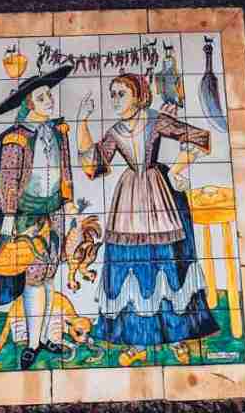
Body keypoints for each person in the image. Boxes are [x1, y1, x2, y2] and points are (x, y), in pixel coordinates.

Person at [76, 73, 219, 363]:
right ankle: (137, 342)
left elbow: (200, 137)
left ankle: (177, 337)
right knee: (129, 265)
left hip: (158, 195)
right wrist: (82, 121)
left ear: (139, 96)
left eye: (121, 93)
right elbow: (93, 166)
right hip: (128, 200)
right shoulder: (115, 130)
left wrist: (178, 169)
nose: (115, 99)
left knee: (167, 264)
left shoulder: (155, 120)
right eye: (112, 94)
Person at [0, 62, 79, 369]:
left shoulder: (58, 131)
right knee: (34, 280)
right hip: (27, 216)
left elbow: (65, 170)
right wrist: (10, 218)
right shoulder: (16, 138)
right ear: (29, 104)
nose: (49, 101)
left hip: (54, 214)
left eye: (48, 95)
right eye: (42, 98)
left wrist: (68, 201)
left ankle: (45, 337)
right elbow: (8, 180)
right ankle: (33, 343)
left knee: (50, 276)